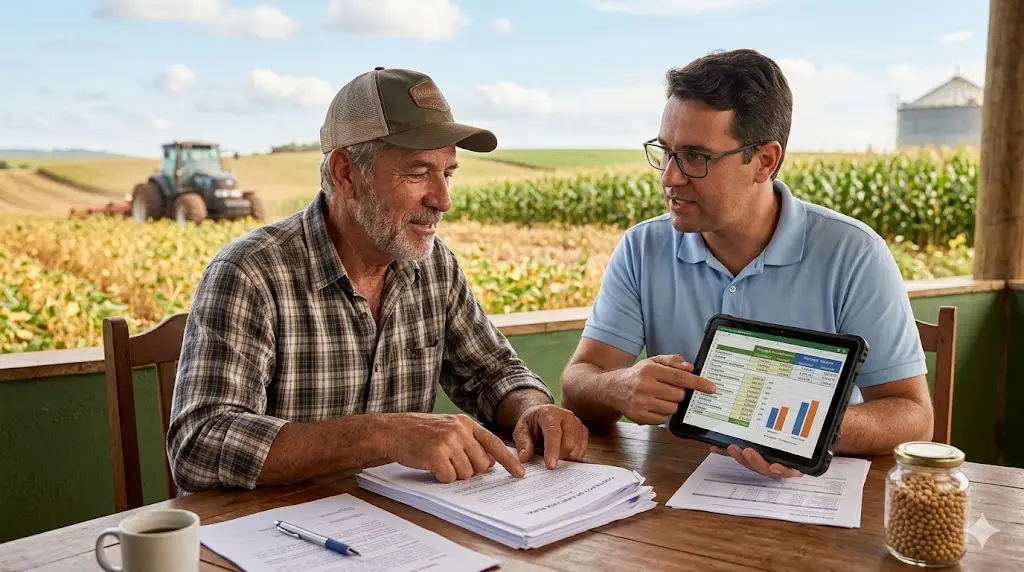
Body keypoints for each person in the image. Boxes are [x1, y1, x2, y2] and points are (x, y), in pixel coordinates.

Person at [167, 67, 588, 493]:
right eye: (418, 172)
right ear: (346, 172)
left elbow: (492, 372)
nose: (443, 200)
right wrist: (386, 434)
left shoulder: (435, 266)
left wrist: (530, 409)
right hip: (272, 536)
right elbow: (199, 445)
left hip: (394, 531)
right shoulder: (251, 272)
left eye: (448, 173)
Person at [561, 49, 933, 478]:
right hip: (676, 495)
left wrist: (800, 433)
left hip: (813, 505)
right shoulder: (642, 247)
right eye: (665, 151)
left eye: (696, 157)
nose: (670, 177)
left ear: (764, 161)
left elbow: (913, 416)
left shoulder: (854, 253)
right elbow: (579, 383)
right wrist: (617, 388)